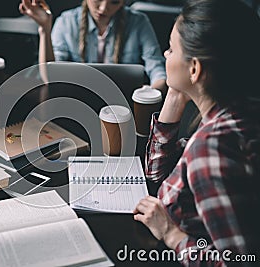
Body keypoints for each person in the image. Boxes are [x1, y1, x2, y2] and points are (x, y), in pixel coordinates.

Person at [133, 0, 260, 266]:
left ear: (195, 69)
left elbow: (239, 261)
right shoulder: (238, 109)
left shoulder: (212, 146)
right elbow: (157, 173)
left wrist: (171, 234)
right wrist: (176, 96)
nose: (166, 56)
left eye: (171, 49)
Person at [19, 0, 168, 94]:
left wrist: (151, 94)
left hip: (123, 107)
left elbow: (157, 69)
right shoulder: (66, 22)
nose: (103, 9)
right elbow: (50, 76)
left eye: (114, 2)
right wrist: (45, 29)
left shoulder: (139, 22)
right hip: (76, 104)